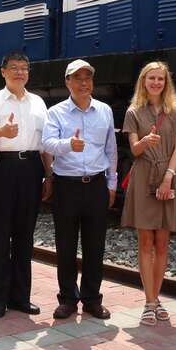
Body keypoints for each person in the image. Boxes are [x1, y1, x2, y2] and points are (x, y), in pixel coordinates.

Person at [0, 52, 51, 318]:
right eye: (14, 68)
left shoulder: (39, 103)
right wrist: (2, 131)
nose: (20, 72)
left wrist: (49, 175)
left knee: (25, 235)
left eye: (24, 68)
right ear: (3, 71)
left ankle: (21, 297)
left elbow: (45, 143)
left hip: (31, 168)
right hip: (3, 167)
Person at [42, 60, 117, 320]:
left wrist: (112, 183)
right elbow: (47, 143)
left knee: (95, 245)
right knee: (65, 245)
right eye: (78, 78)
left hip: (96, 184)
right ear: (67, 82)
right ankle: (68, 300)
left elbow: (111, 149)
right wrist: (68, 145)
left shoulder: (105, 110)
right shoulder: (55, 112)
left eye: (88, 78)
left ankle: (92, 300)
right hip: (66, 186)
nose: (84, 82)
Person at [121, 61, 176, 326]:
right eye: (152, 79)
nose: (156, 83)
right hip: (143, 176)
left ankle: (156, 298)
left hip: (168, 178)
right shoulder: (133, 112)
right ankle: (149, 302)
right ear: (143, 82)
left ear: (166, 82)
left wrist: (168, 179)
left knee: (162, 243)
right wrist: (144, 142)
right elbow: (135, 150)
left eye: (160, 79)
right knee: (145, 242)